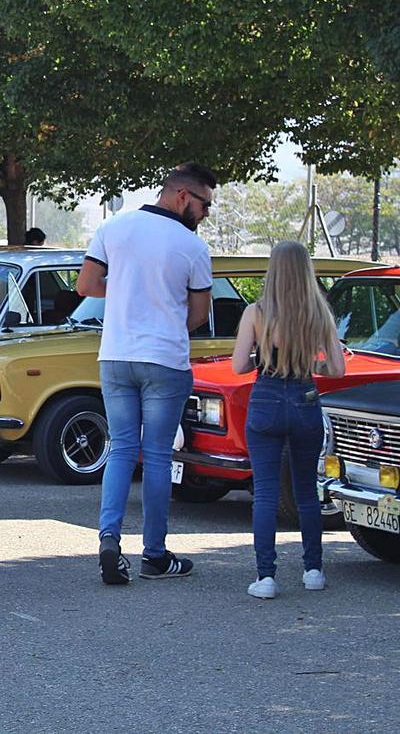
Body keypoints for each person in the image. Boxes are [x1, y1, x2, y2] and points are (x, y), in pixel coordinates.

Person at [76, 163, 217, 585]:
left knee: (120, 449)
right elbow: (198, 314)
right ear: (182, 197)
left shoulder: (114, 227)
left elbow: (85, 285)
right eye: (205, 204)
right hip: (164, 359)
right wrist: (165, 313)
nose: (206, 214)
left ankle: (108, 538)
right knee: (156, 455)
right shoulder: (192, 247)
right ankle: (154, 555)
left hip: (115, 355)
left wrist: (123, 291)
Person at [231, 241, 345, 599]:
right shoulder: (318, 313)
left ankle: (266, 576)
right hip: (304, 400)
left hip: (265, 399)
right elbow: (338, 369)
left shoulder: (256, 312)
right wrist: (315, 365)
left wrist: (260, 359)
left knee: (264, 492)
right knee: (306, 492)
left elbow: (238, 366)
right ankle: (313, 570)